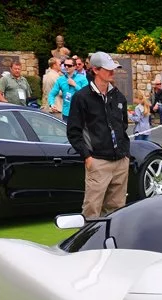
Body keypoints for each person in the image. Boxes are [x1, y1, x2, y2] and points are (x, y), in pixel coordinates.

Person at [66, 51, 130, 218]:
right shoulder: (81, 98)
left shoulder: (118, 96)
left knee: (117, 212)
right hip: (97, 162)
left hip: (120, 161)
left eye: (113, 68)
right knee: (92, 211)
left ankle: (112, 243)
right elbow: (74, 131)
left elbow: (122, 126)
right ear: (95, 69)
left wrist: (125, 153)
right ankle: (88, 244)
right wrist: (87, 157)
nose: (112, 71)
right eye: (107, 69)